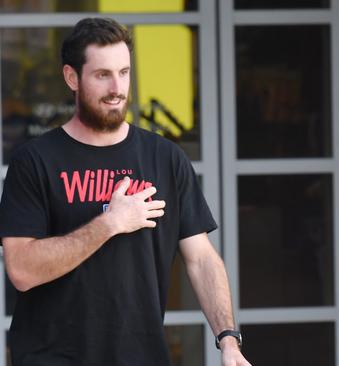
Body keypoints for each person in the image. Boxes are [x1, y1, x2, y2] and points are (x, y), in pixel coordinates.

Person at [0, 18, 251, 366]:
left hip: (140, 356)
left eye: (124, 72)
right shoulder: (35, 162)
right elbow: (22, 270)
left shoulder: (165, 158)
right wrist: (109, 223)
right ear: (72, 77)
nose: (117, 87)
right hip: (52, 357)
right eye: (102, 74)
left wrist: (228, 339)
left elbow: (201, 257)